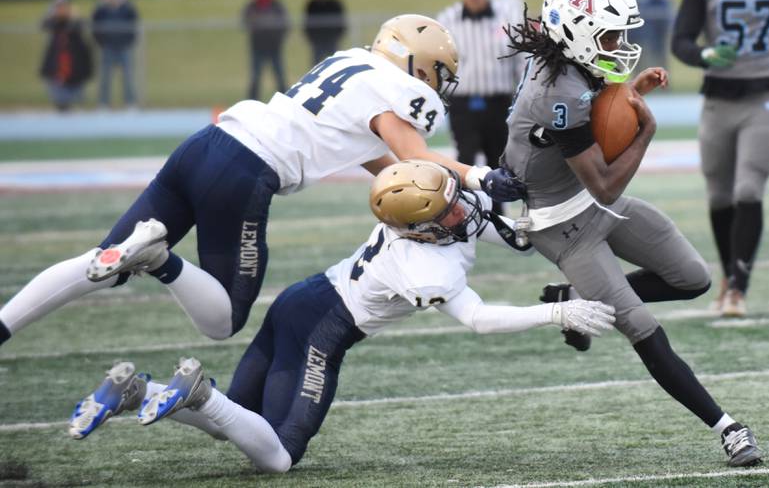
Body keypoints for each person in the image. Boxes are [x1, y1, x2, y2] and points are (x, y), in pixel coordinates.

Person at [0, 14, 524, 350]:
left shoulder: (350, 64)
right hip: (245, 172)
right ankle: (159, 258)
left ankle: (4, 325)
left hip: (207, 143)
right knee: (224, 320)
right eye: (437, 72)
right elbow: (415, 158)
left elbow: (389, 167)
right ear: (418, 65)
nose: (438, 85)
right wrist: (480, 174)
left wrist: (477, 197)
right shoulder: (395, 93)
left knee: (102, 261)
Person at [68, 160, 616, 472]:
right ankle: (200, 394)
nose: (459, 210)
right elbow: (478, 320)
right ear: (418, 228)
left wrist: (482, 183)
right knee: (277, 457)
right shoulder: (423, 263)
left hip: (299, 300)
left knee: (238, 424)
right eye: (447, 209)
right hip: (323, 327)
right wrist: (557, 312)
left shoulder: (427, 206)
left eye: (452, 198)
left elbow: (484, 212)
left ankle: (141, 393)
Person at [500, 0, 762, 467]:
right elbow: (605, 181)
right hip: (562, 225)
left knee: (692, 278)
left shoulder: (570, 62)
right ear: (575, 30)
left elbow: (598, 106)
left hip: (592, 202)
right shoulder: (556, 92)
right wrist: (645, 131)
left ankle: (582, 300)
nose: (620, 43)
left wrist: (629, 94)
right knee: (641, 325)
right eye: (611, 33)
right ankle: (728, 428)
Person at [671, 0, 769, 317]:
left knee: (749, 189)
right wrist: (705, 53)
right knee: (719, 197)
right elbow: (680, 41)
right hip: (718, 100)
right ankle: (729, 277)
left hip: (766, 99)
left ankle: (738, 289)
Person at [437, 0, 526, 214]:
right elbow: (439, 61)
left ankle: (497, 215)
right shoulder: (447, 19)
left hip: (498, 100)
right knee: (464, 157)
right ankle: (464, 212)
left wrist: (522, 95)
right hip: (462, 102)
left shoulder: (507, 15)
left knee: (498, 159)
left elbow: (521, 59)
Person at [39, 0, 93, 112]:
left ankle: (74, 104)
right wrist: (52, 15)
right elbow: (43, 25)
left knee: (76, 89)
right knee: (57, 86)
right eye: (59, 5)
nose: (62, 8)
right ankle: (62, 105)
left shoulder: (75, 19)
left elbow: (83, 25)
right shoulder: (53, 20)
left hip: (74, 61)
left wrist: (73, 17)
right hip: (58, 61)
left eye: (64, 5)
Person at [91, 0, 139, 108]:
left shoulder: (127, 8)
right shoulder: (100, 10)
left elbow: (134, 27)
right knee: (105, 78)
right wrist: (102, 43)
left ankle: (130, 103)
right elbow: (95, 28)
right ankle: (103, 103)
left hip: (124, 48)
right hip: (107, 48)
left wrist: (129, 42)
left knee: (128, 77)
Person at [243, 0, 290, 99]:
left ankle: (286, 100)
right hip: (258, 47)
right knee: (255, 77)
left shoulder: (276, 4)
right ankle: (252, 102)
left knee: (280, 76)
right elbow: (247, 21)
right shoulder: (253, 5)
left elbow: (284, 22)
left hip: (274, 46)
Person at [303, 0, 347, 66]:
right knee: (316, 66)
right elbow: (307, 22)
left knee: (335, 65)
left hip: (332, 41)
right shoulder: (312, 4)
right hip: (317, 41)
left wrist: (337, 36)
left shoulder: (335, 3)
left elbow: (341, 22)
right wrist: (312, 38)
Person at [632, 0, 673, 70]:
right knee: (645, 62)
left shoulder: (665, 0)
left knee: (661, 60)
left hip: (660, 37)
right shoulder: (644, 0)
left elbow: (669, 18)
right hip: (647, 38)